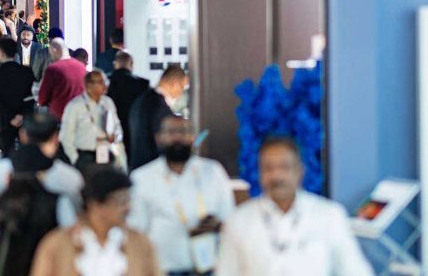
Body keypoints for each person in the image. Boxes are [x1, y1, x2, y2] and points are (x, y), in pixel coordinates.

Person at [217, 137, 374, 276]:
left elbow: (355, 271)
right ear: (260, 174)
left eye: (284, 167)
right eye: (268, 168)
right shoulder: (238, 221)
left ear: (300, 171)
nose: (276, 176)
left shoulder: (329, 216)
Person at [0, 114, 83, 276]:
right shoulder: (70, 177)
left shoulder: (1, 170)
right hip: (55, 264)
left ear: (23, 135)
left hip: (10, 259)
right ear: (55, 138)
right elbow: (75, 226)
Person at [130, 115, 235, 275]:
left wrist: (216, 225)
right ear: (158, 139)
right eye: (171, 132)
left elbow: (230, 220)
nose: (178, 137)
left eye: (184, 132)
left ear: (193, 138)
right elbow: (136, 232)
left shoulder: (213, 171)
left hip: (208, 269)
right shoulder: (142, 178)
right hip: (162, 270)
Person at [31, 168, 164, 276]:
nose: (127, 208)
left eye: (128, 200)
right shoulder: (57, 244)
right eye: (120, 201)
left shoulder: (140, 243)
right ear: (95, 205)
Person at [61, 71, 124, 172]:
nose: (105, 85)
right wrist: (75, 159)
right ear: (88, 85)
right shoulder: (75, 106)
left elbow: (117, 126)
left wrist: (116, 136)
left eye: (105, 81)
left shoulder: (108, 102)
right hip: (84, 155)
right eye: (101, 82)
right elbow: (66, 136)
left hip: (106, 151)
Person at [129, 65, 187, 171]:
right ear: (173, 83)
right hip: (153, 169)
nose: (180, 93)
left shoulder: (141, 100)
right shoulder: (160, 108)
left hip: (138, 166)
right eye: (181, 87)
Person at [0, 38, 34, 156]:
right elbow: (30, 98)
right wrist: (21, 115)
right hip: (25, 120)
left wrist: (11, 116)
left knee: (7, 154)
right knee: (26, 154)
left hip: (4, 120)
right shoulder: (26, 72)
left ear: (2, 52)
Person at [107, 51, 149, 160]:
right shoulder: (142, 84)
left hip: (110, 130)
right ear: (131, 63)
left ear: (115, 63)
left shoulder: (106, 82)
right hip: (133, 130)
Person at [38, 38, 87, 120]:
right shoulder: (81, 67)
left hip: (60, 116)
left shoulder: (53, 69)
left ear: (54, 50)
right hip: (80, 115)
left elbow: (42, 99)